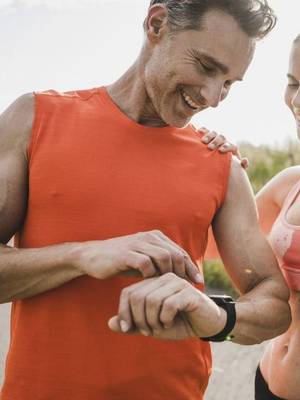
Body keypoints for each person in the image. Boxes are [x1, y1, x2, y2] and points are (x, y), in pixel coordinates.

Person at [0, 1, 291, 399]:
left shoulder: (221, 164)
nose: (213, 96)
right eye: (206, 67)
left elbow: (274, 303)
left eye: (228, 82)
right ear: (156, 25)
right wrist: (82, 255)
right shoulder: (33, 119)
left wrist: (216, 316)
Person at [204, 35, 300, 400]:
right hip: (268, 381)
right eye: (293, 83)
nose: (298, 101)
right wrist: (223, 178)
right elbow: (212, 249)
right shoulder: (291, 184)